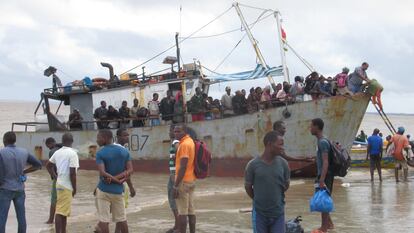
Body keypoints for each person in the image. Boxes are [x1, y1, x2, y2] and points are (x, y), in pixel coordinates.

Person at [245, 131, 290, 233]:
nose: (282, 147)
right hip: (260, 214)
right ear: (269, 144)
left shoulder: (284, 164)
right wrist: (259, 199)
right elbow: (248, 187)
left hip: (278, 214)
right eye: (280, 144)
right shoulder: (252, 165)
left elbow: (286, 185)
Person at [0, 131, 42, 233]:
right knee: (21, 217)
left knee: (2, 218)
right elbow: (38, 165)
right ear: (15, 140)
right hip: (20, 189)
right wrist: (24, 171)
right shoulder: (24, 151)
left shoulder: (1, 152)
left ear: (4, 140)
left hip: (5, 188)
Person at [95, 130, 133, 233]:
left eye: (98, 138)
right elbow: (130, 170)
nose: (97, 140)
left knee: (104, 220)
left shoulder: (100, 153)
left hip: (104, 189)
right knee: (122, 219)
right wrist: (119, 180)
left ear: (105, 138)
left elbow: (102, 173)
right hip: (118, 191)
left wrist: (113, 179)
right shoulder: (124, 151)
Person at [46, 133, 79, 233]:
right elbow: (72, 173)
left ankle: (63, 231)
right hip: (66, 186)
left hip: (59, 184)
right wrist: (74, 188)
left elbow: (48, 165)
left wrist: (55, 176)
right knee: (60, 212)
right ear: (72, 141)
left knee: (63, 211)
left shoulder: (58, 152)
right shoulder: (73, 153)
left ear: (62, 141)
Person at [310, 118, 334, 233]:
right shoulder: (321, 141)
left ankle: (324, 228)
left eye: (311, 126)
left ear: (317, 127)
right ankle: (329, 224)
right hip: (323, 175)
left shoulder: (322, 142)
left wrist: (322, 179)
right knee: (321, 198)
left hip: (325, 176)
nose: (310, 128)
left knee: (322, 200)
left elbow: (325, 161)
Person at [173, 124, 196, 233]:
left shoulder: (184, 145)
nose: (176, 133)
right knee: (191, 211)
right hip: (191, 180)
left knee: (182, 212)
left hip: (183, 182)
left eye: (178, 131)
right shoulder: (190, 141)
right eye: (175, 131)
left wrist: (176, 185)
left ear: (185, 131)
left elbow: (183, 166)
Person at [113, 129, 136, 233]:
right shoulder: (123, 151)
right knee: (121, 214)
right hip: (120, 185)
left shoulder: (110, 148)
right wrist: (131, 187)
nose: (127, 137)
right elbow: (126, 171)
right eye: (124, 135)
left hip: (109, 184)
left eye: (127, 135)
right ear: (118, 136)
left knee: (116, 213)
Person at [45, 137, 63, 224]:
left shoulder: (52, 152)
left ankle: (51, 220)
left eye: (47, 146)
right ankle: (62, 219)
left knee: (54, 200)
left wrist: (53, 175)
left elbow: (49, 166)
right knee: (62, 200)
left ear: (50, 144)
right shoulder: (62, 149)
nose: (48, 147)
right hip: (66, 179)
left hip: (58, 179)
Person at [167, 125, 180, 233]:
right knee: (174, 199)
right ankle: (177, 224)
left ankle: (178, 225)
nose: (169, 133)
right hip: (174, 174)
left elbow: (179, 152)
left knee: (173, 199)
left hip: (174, 174)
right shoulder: (177, 142)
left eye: (170, 130)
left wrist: (173, 174)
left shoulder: (175, 142)